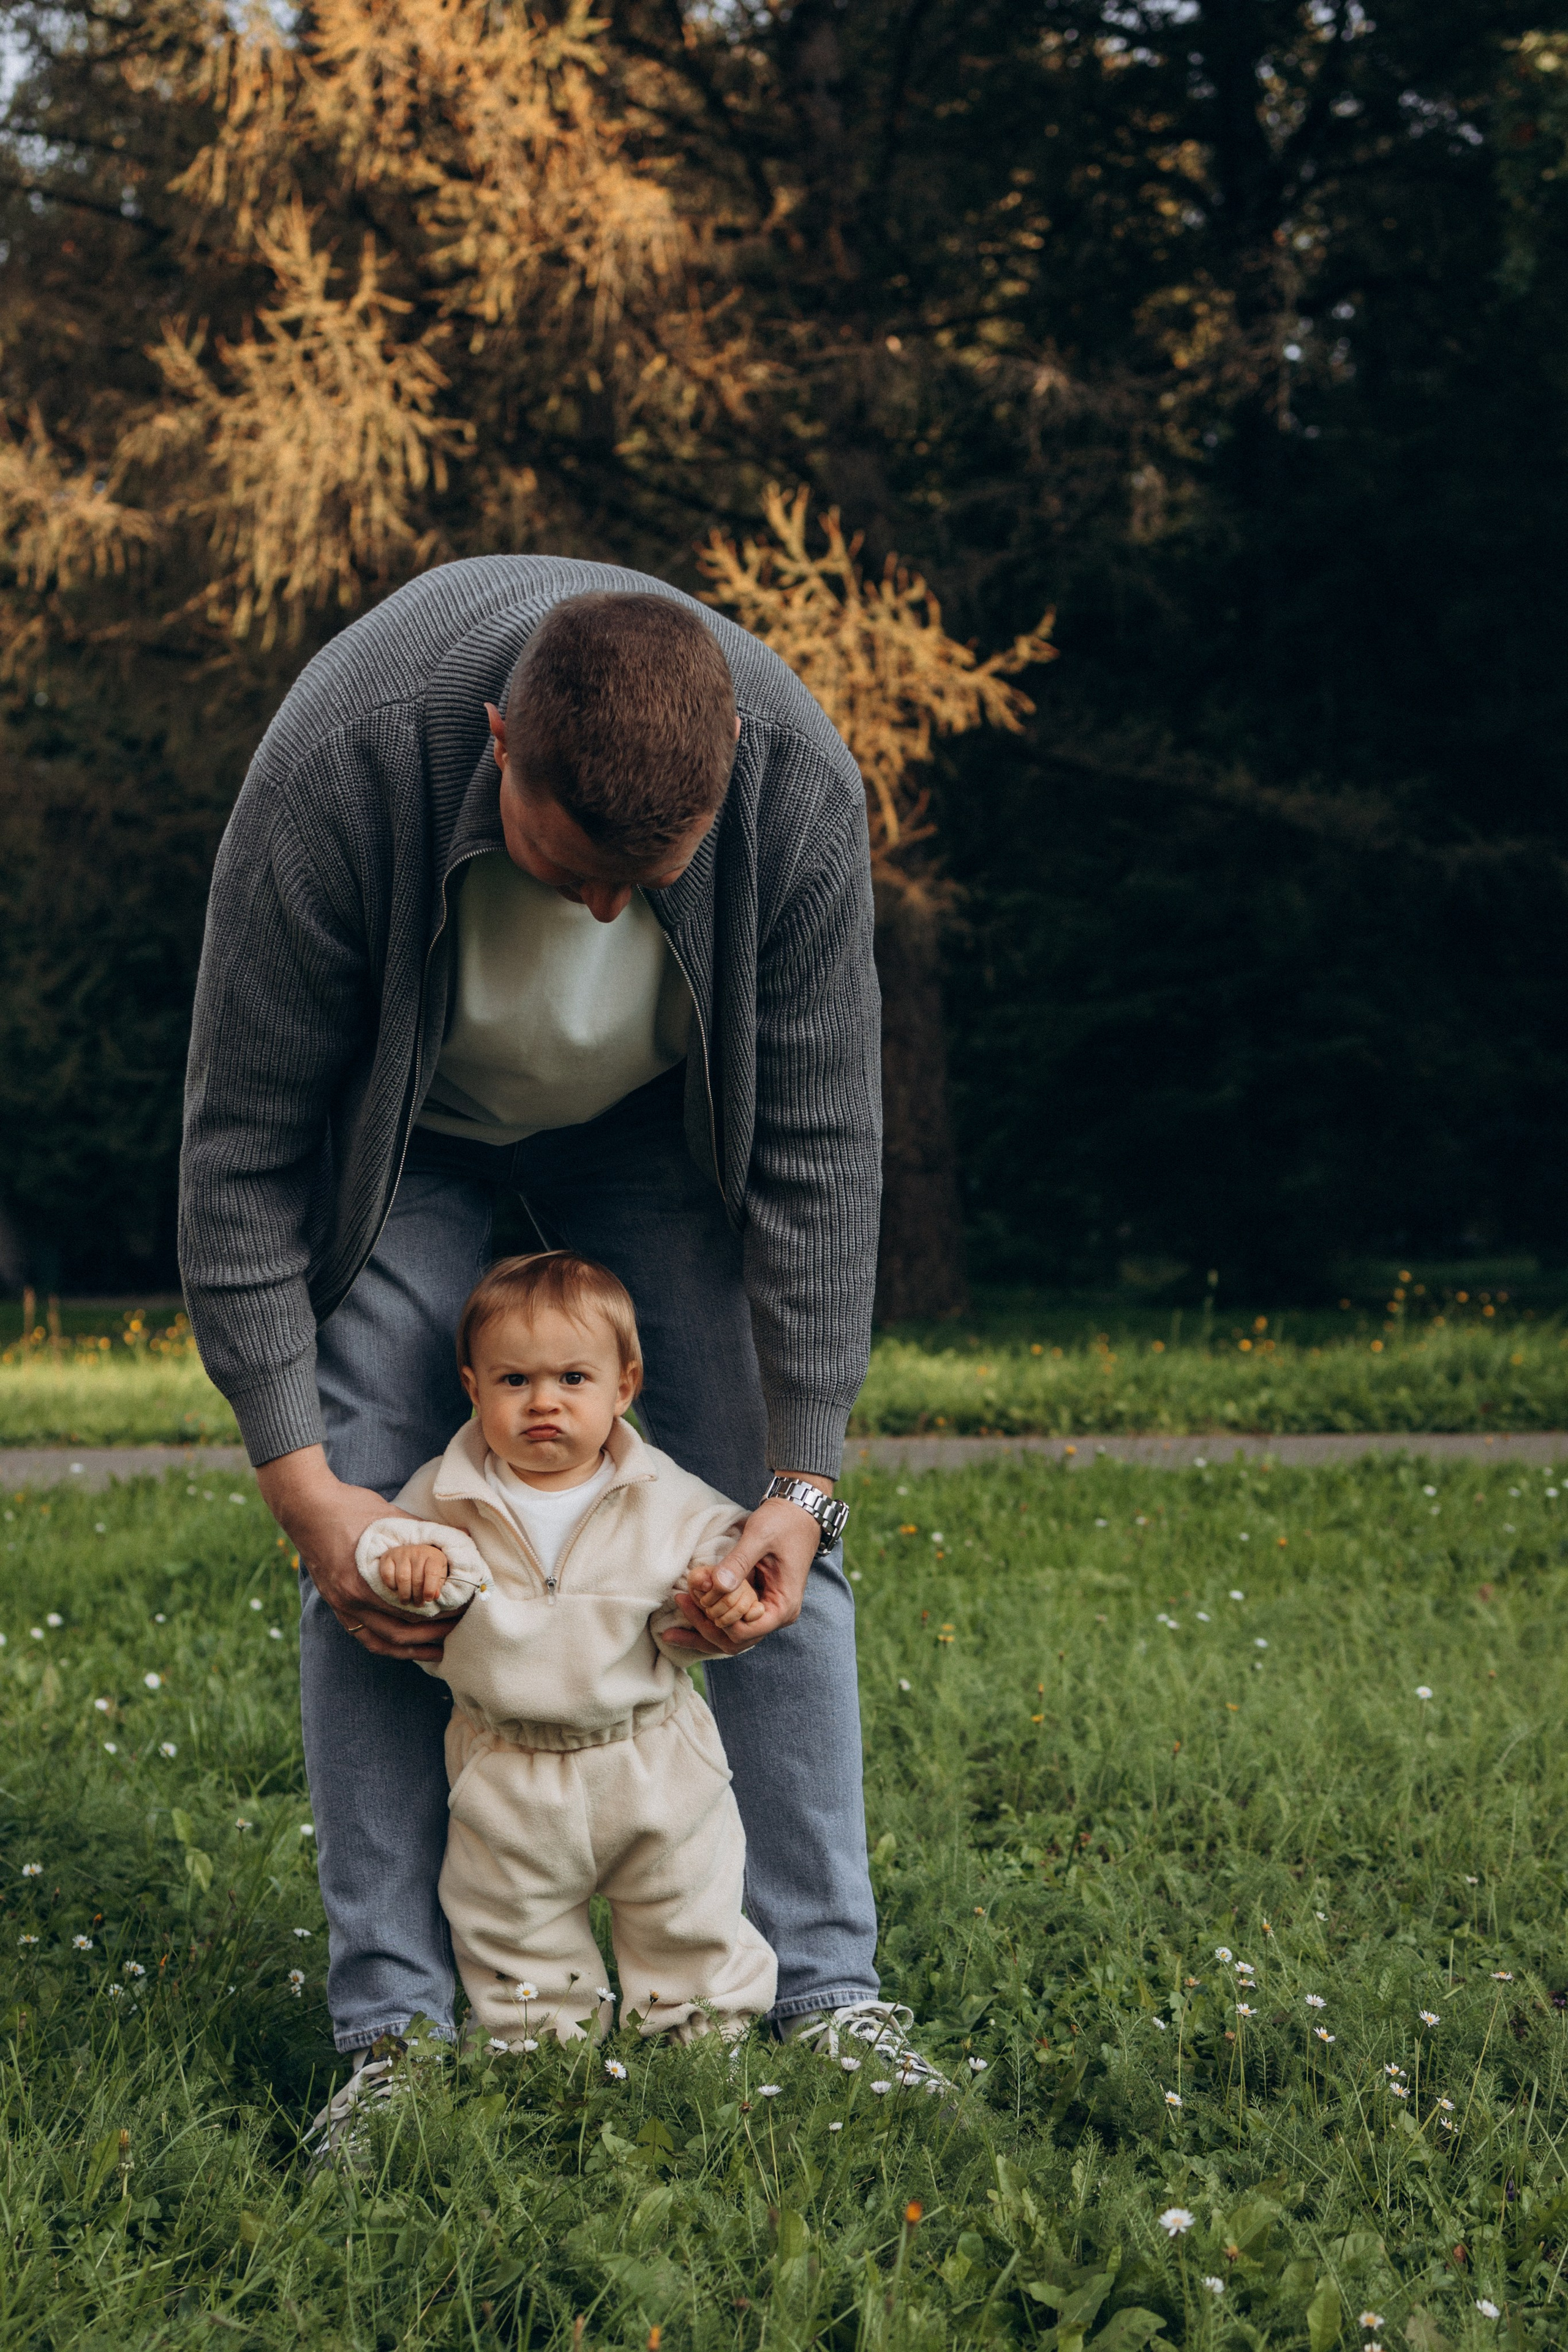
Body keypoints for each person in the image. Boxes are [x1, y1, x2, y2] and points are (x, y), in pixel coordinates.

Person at [180, 558, 949, 2115]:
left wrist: (805, 1478)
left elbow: (820, 1149)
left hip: (656, 1137)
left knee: (767, 1535)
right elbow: (240, 1149)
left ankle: (827, 1992)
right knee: (375, 1552)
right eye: (572, 866)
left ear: (727, 769)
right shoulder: (345, 762)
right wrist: (300, 1484)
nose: (604, 910)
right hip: (411, 1142)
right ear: (496, 745)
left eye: (645, 878)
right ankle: (393, 2034)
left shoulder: (794, 785)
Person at [353, 1250, 776, 2059]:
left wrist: (723, 1590)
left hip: (653, 1757)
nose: (543, 1401)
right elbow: (381, 1546)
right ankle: (541, 2052)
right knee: (511, 1924)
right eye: (514, 1381)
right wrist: (408, 1566)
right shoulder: (447, 1493)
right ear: (473, 1387)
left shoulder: (663, 1492)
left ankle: (700, 2040)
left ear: (624, 1387)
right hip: (506, 1766)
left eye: (573, 1379)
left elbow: (729, 1547)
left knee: (687, 1908)